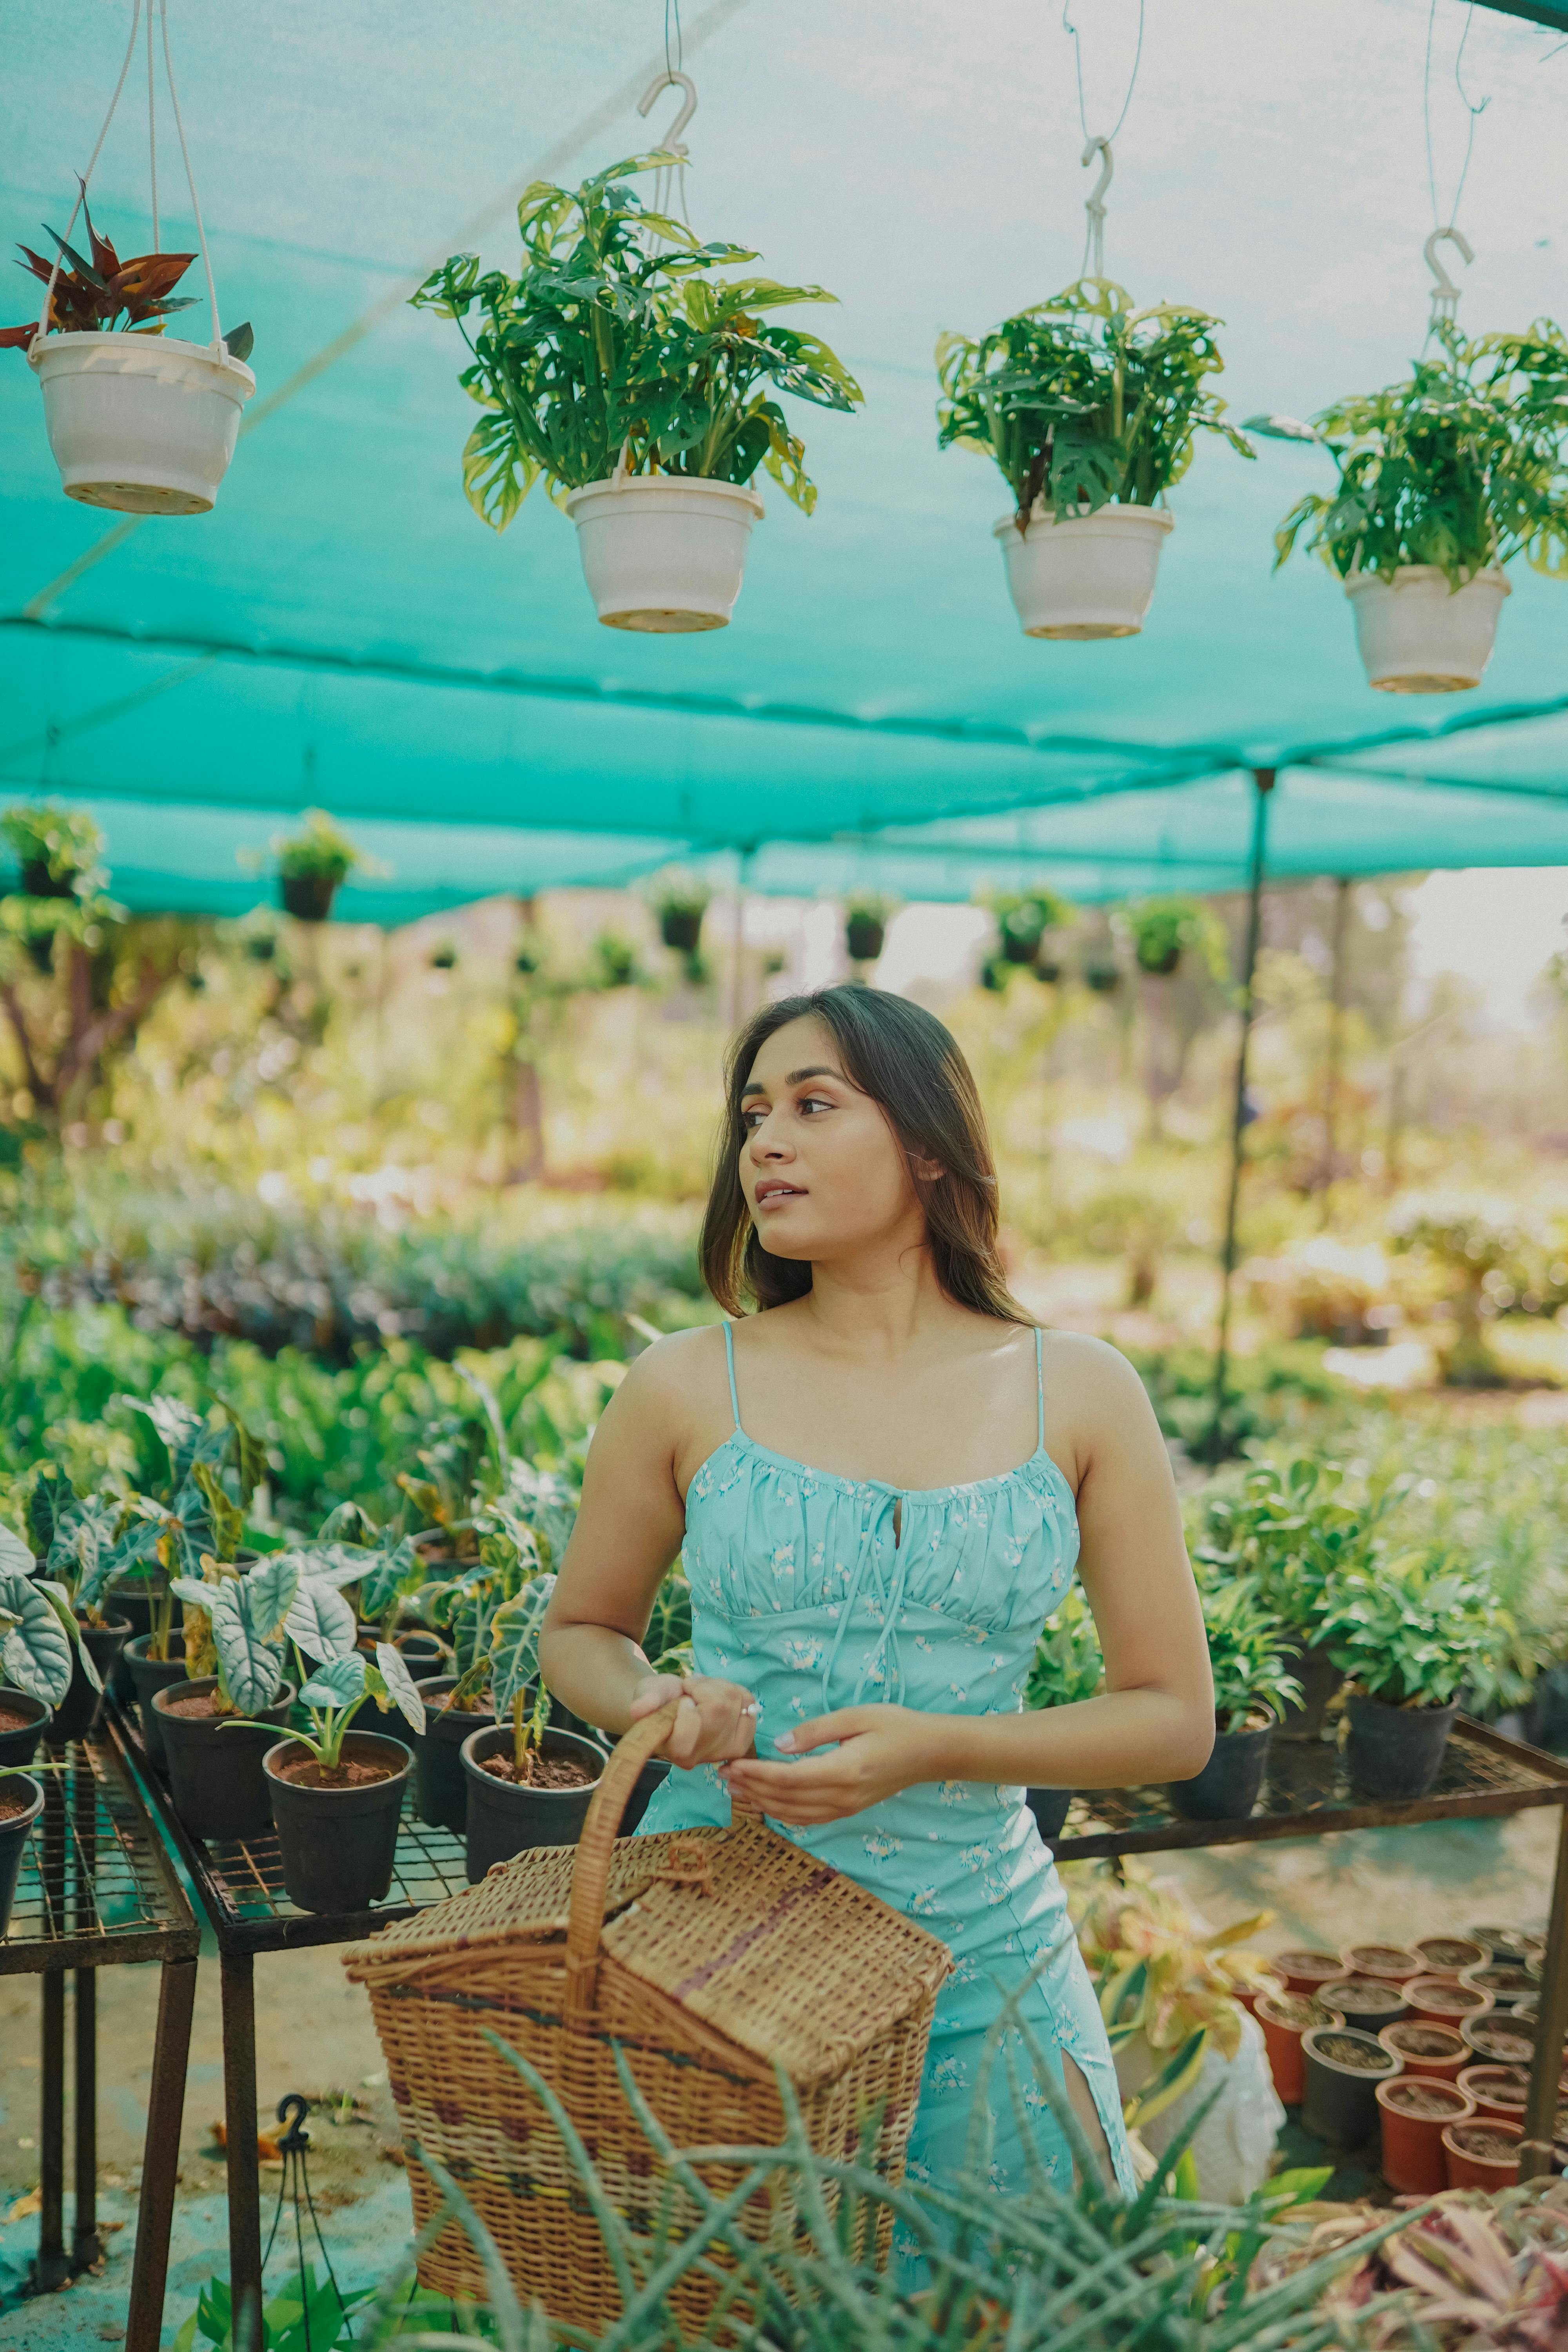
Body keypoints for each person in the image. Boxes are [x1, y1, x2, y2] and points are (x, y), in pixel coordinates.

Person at [539, 984, 1214, 2250]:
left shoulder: (1079, 1391)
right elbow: (581, 1629)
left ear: (928, 1146)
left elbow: (1174, 1721)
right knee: (730, 2309)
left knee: (1005, 2314)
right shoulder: (685, 1383)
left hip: (985, 1963)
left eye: (813, 1105)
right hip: (716, 1953)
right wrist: (655, 1704)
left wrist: (945, 1746)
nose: (765, 1145)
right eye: (752, 1115)